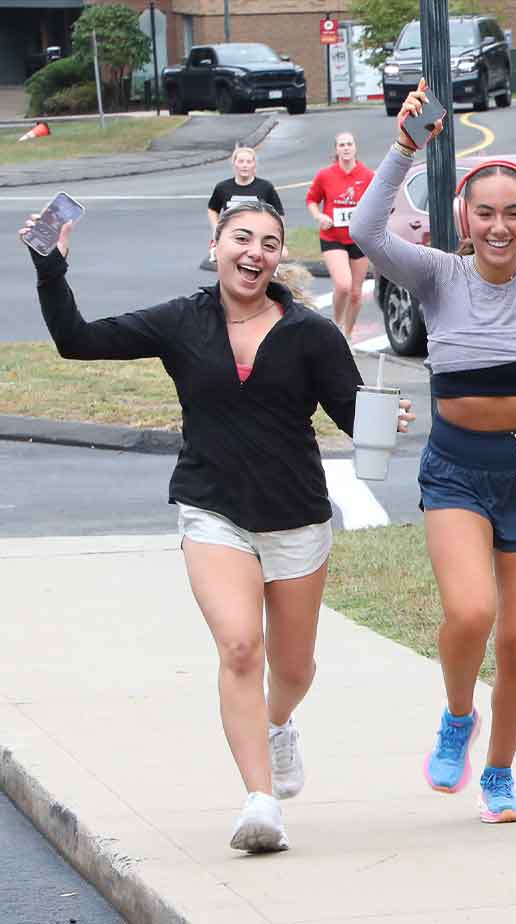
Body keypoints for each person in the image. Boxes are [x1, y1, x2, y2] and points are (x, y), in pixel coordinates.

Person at [20, 201, 414, 852]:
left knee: (292, 669)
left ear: (278, 256)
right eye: (241, 238)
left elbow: (349, 414)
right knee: (238, 647)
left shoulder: (311, 333)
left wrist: (381, 421)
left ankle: (279, 725)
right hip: (212, 509)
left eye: (267, 242)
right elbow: (77, 340)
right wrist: (48, 269)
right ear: (217, 244)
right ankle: (261, 803)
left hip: (296, 518)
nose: (253, 251)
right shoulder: (183, 321)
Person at [350, 73, 516, 823]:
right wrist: (405, 147)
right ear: (463, 219)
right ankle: (458, 718)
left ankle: (498, 774)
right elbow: (369, 234)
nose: (499, 227)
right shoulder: (437, 275)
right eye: (485, 213)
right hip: (459, 470)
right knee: (470, 614)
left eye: (512, 212)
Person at [306, 132, 375, 344]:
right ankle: (336, 327)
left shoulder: (367, 175)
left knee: (355, 293)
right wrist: (319, 216)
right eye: (342, 145)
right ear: (336, 150)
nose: (346, 148)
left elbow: (376, 202)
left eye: (349, 144)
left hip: (358, 239)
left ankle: (348, 334)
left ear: (355, 148)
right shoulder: (325, 175)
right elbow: (311, 200)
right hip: (332, 236)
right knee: (343, 285)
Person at [207, 146, 287, 263]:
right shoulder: (222, 188)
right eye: (241, 161)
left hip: (258, 236)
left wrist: (280, 242)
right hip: (232, 235)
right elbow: (212, 209)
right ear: (234, 164)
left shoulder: (265, 187)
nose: (244, 165)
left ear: (254, 165)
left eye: (248, 162)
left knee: (279, 257)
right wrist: (216, 229)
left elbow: (279, 215)